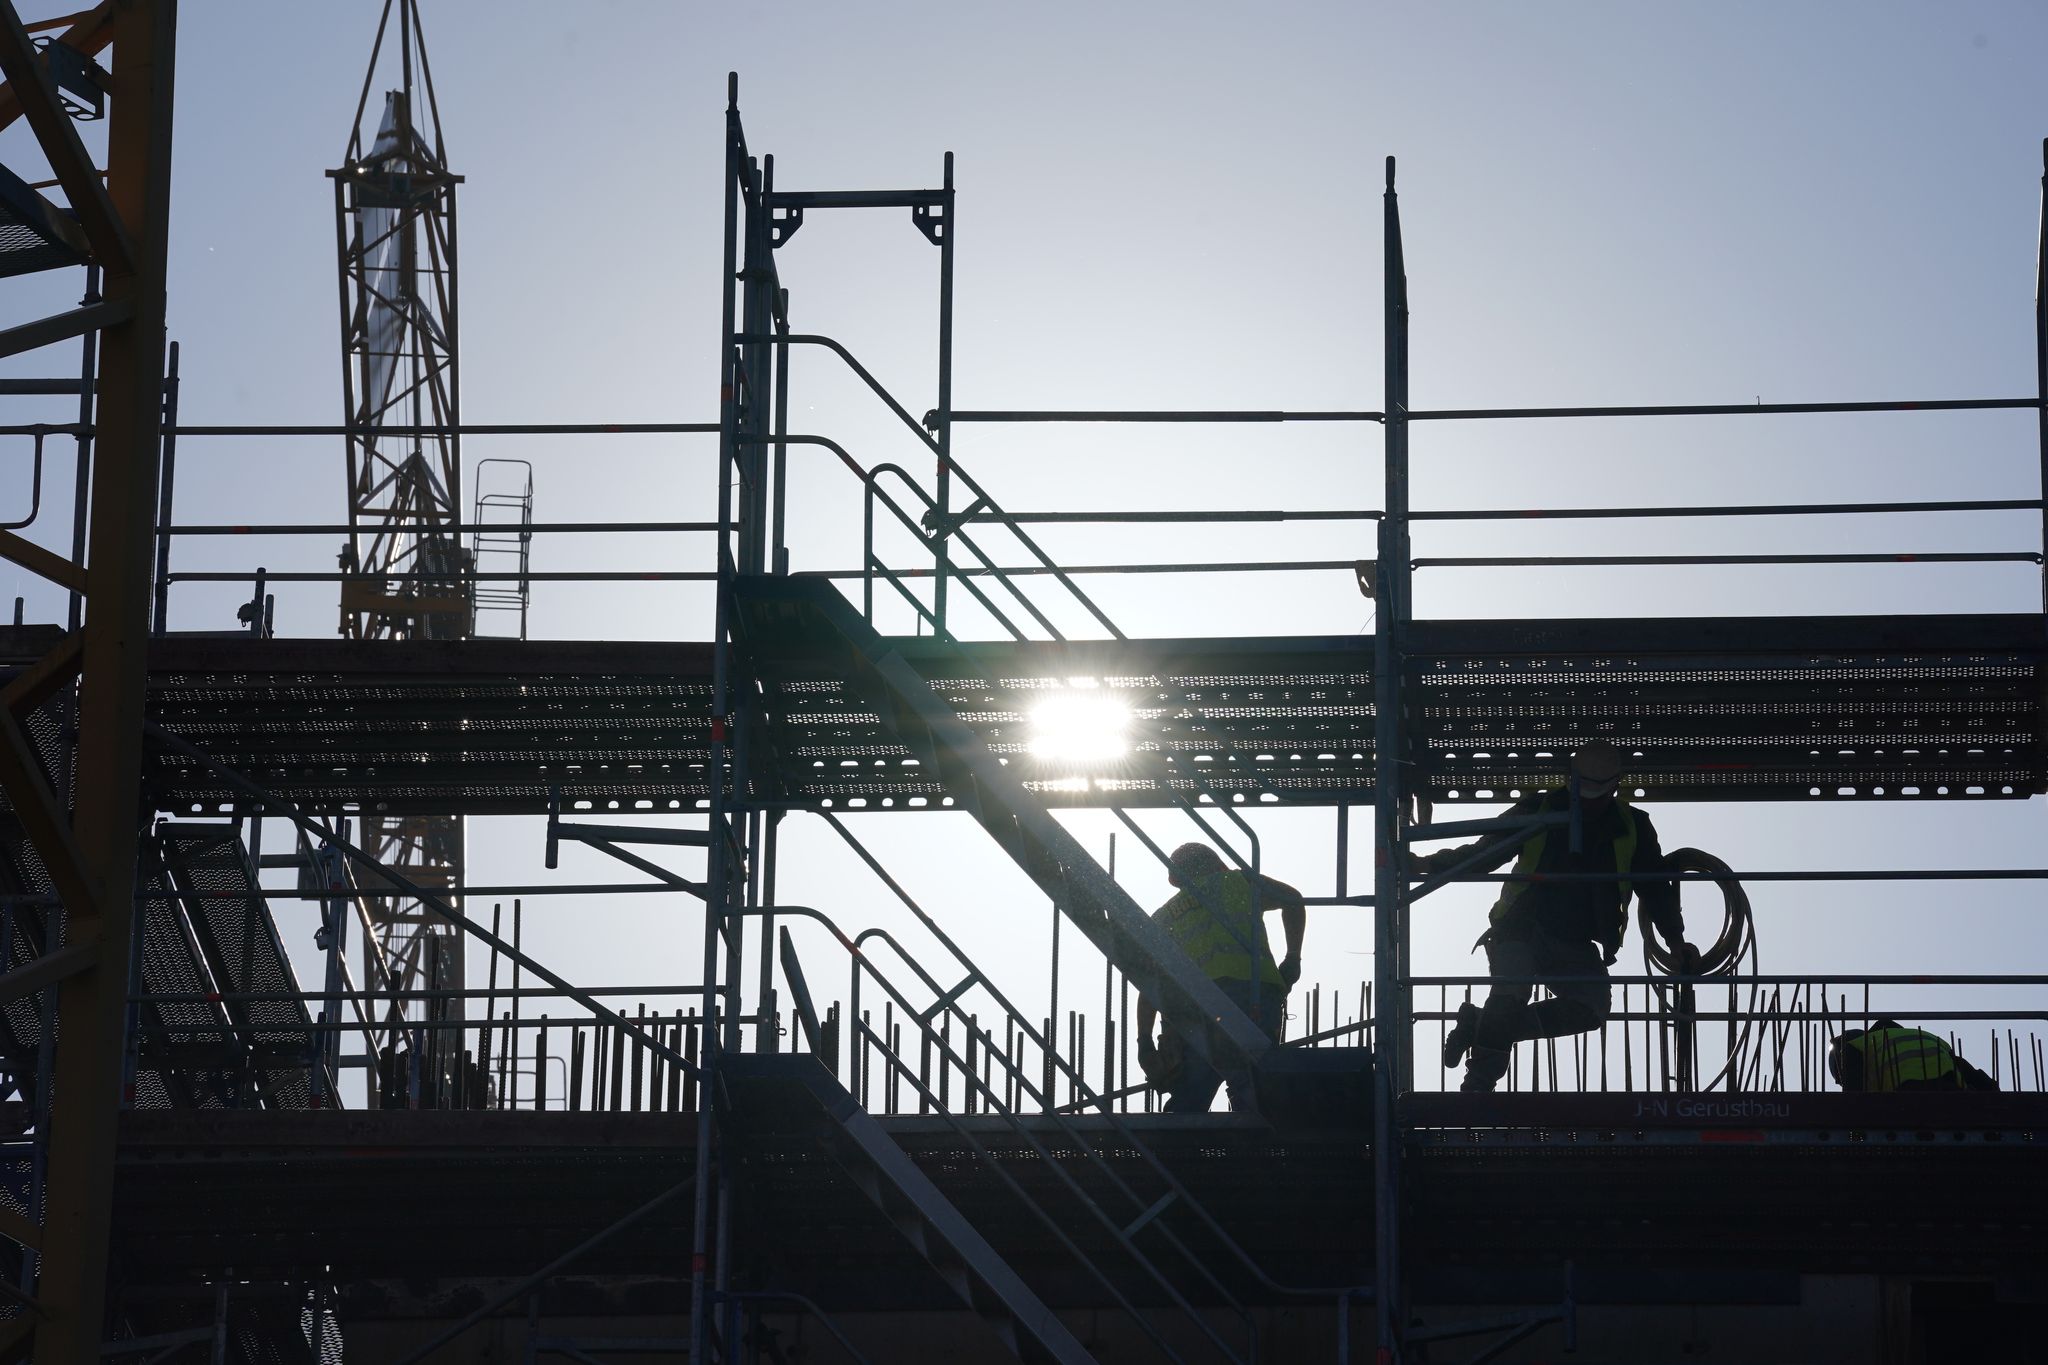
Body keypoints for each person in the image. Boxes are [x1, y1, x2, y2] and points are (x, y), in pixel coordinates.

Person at [1418, 739, 1695, 1092]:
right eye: (1585, 787)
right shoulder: (1540, 807)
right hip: (1520, 926)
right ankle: (1480, 1081)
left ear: (1614, 785)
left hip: (1574, 940)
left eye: (1599, 789)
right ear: (1572, 778)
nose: (1591, 798)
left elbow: (1655, 888)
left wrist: (1676, 939)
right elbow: (1487, 851)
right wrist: (1431, 864)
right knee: (1511, 991)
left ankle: (1478, 1023)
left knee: (1591, 1007)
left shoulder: (1632, 826)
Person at [1134, 843, 1305, 1113]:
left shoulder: (1163, 917)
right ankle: (1252, 1134)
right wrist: (1293, 957)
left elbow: (1151, 986)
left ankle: (1173, 1147)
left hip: (1194, 1009)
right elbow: (1293, 900)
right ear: (1214, 862)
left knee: (1189, 1095)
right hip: (1253, 998)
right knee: (1254, 1086)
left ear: (1175, 878)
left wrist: (1144, 1040)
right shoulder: (1238, 881)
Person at [1829, 1020, 1998, 1092]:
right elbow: (1966, 1070)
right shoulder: (1925, 1037)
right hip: (1953, 1092)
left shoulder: (1853, 1048)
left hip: (1909, 1096)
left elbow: (1854, 1102)